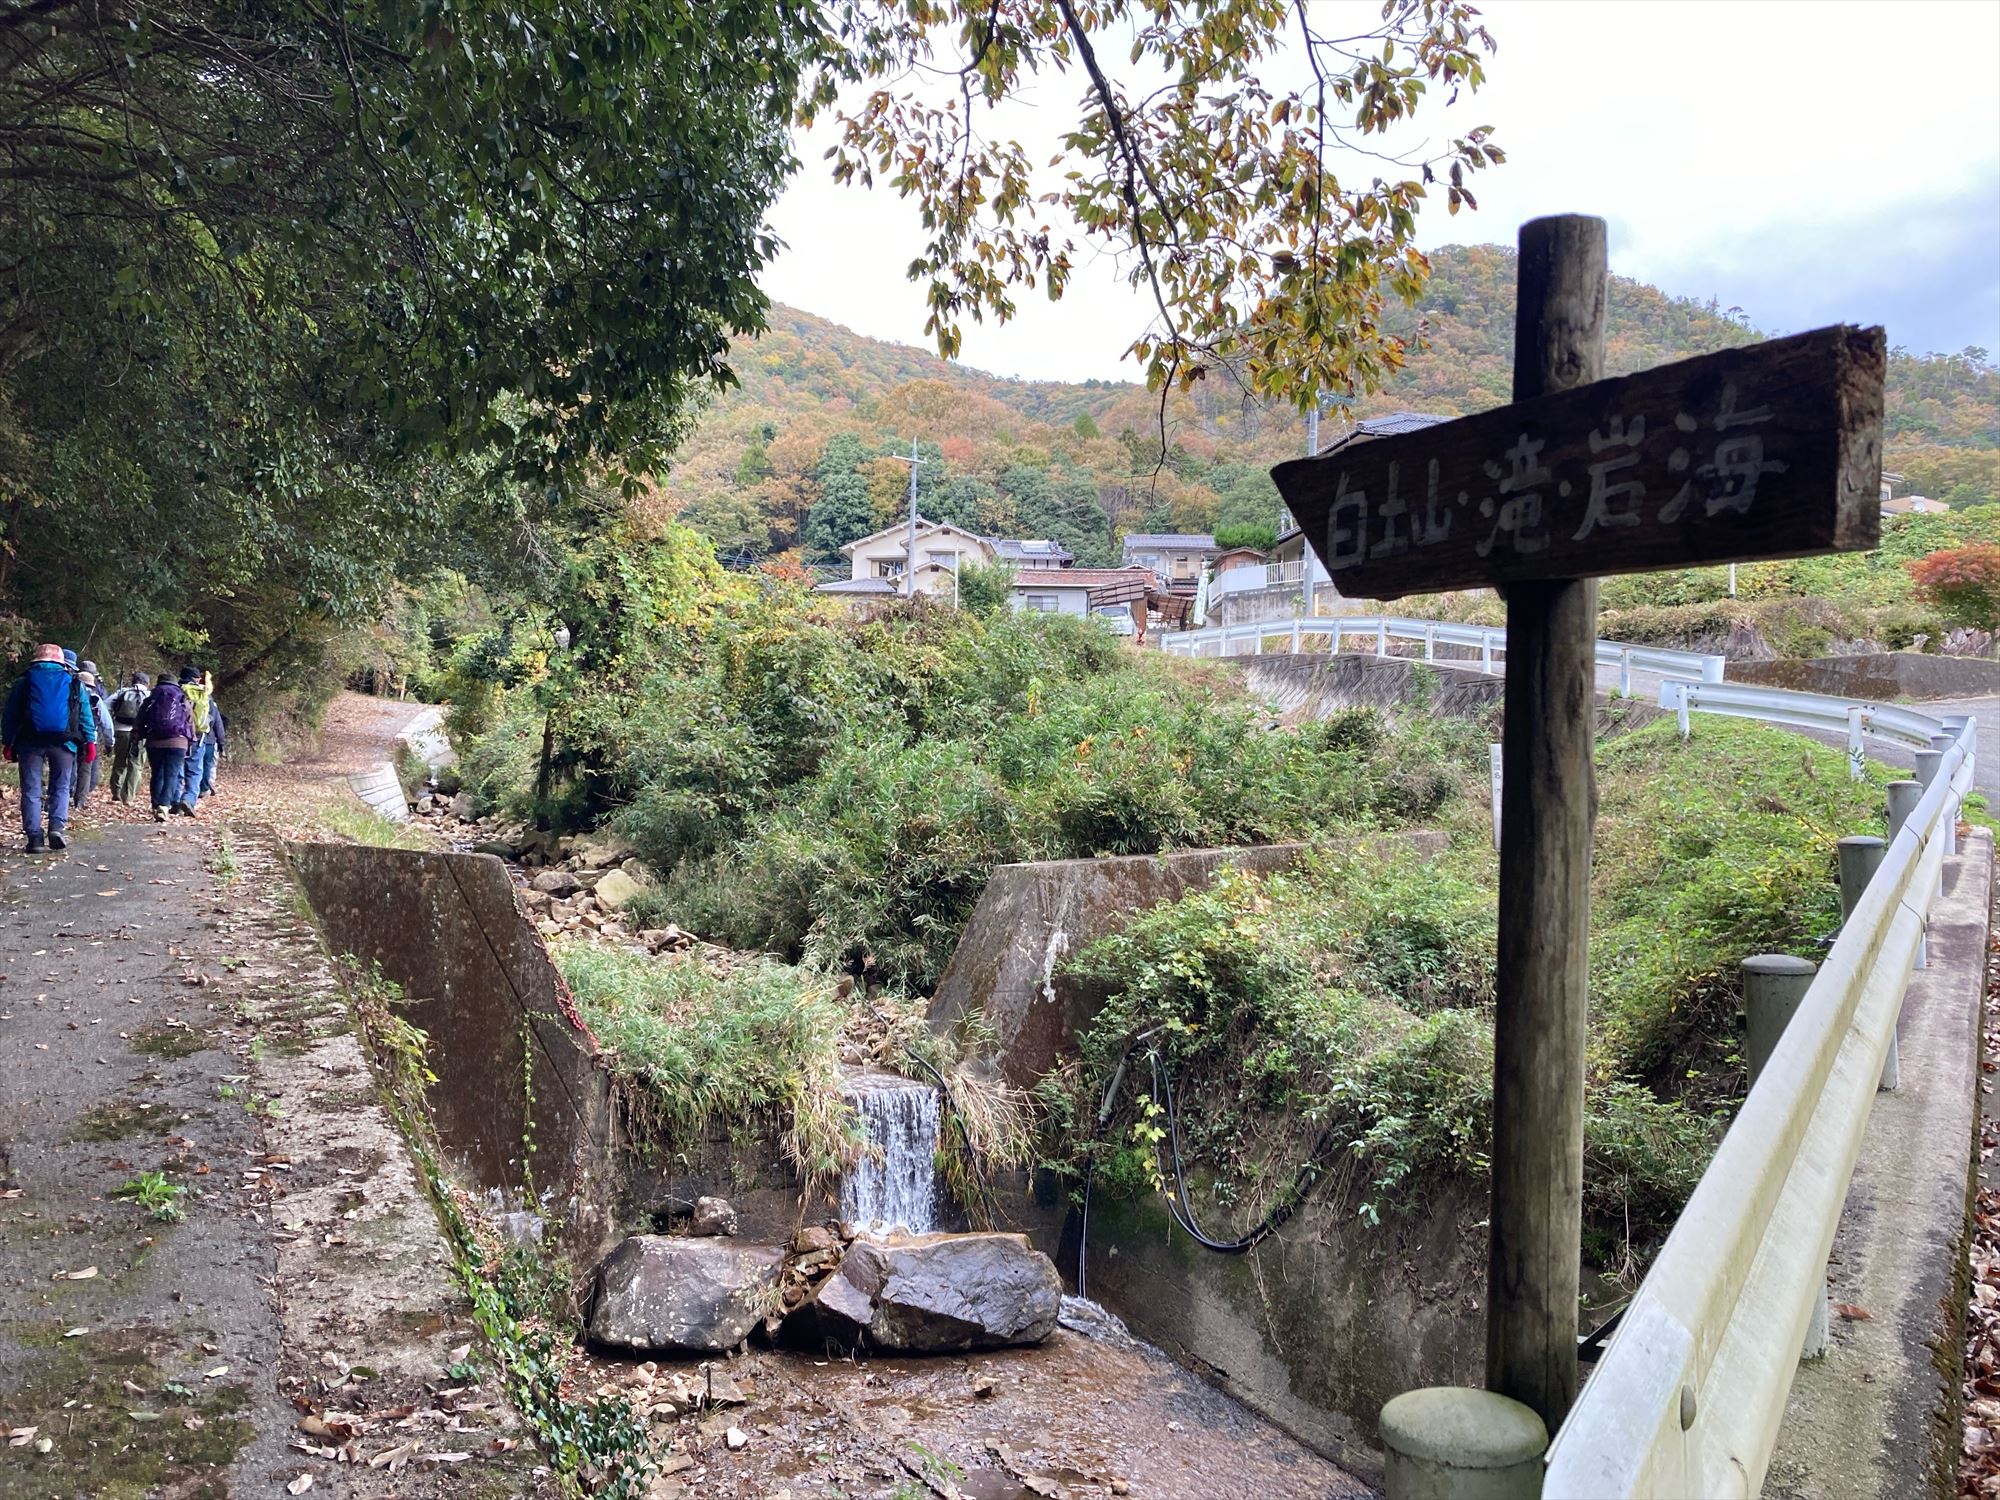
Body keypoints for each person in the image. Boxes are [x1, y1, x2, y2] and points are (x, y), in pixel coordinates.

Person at [2, 643, 98, 853]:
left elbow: (10, 715)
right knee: (61, 787)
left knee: (31, 790)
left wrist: (8, 742)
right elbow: (85, 715)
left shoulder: (24, 682)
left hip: (30, 742)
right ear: (61, 661)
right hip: (64, 743)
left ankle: (34, 838)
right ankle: (56, 829)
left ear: (36, 659)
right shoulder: (74, 682)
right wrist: (90, 742)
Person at [136, 667, 196, 822]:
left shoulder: (152, 697)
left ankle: (156, 805)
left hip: (154, 742)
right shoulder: (181, 697)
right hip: (178, 742)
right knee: (172, 774)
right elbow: (190, 721)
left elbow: (140, 718)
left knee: (157, 773)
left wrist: (138, 736)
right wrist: (191, 740)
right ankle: (164, 806)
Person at [107, 672, 150, 803]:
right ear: (147, 683)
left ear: (133, 681)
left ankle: (116, 792)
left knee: (119, 762)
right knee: (136, 764)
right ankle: (128, 796)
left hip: (121, 730)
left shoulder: (122, 692)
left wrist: (113, 721)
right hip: (141, 733)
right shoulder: (149, 695)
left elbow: (105, 705)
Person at [74, 660, 110, 806]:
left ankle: (63, 794)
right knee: (86, 770)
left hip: (68, 735)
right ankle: (80, 800)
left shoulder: (69, 691)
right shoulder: (96, 697)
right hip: (89, 737)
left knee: (68, 766)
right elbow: (106, 722)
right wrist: (109, 742)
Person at [177, 667, 212, 813]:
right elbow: (211, 715)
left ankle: (175, 801)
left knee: (178, 768)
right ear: (196, 678)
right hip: (198, 735)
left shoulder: (176, 690)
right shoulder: (203, 692)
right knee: (195, 770)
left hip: (178, 735)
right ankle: (189, 799)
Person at [197, 693, 225, 799]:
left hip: (194, 738)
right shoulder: (210, 702)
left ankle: (192, 789)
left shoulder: (187, 697)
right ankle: (204, 788)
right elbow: (218, 723)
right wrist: (221, 742)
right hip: (209, 739)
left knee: (195, 765)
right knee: (206, 765)